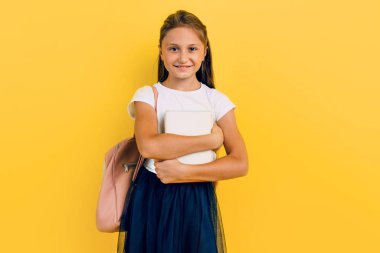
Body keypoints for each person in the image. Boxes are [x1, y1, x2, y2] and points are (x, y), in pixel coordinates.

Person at [117, 9, 249, 253]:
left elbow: (240, 163)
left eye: (192, 49)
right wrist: (210, 139)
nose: (183, 57)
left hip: (196, 200)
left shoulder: (215, 100)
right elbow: (149, 146)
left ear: (204, 51)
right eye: (173, 48)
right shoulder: (148, 96)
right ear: (161, 51)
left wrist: (185, 172)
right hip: (153, 197)